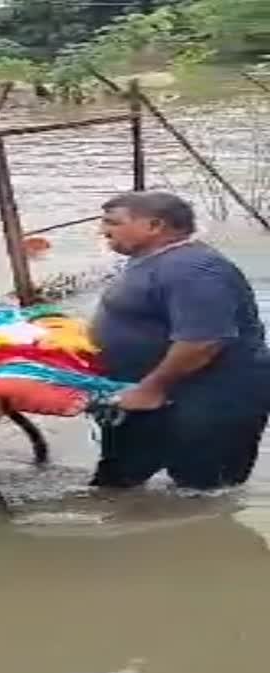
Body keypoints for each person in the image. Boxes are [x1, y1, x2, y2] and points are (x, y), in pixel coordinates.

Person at [89, 191, 270, 490]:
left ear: (155, 226)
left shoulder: (193, 270)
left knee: (203, 496)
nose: (103, 230)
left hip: (211, 401)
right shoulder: (152, 261)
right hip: (149, 396)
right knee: (117, 486)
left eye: (114, 222)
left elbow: (202, 342)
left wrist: (151, 388)